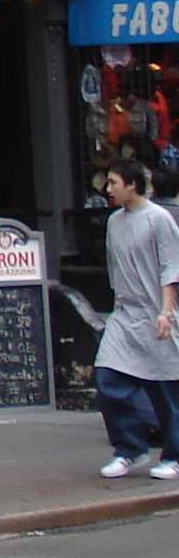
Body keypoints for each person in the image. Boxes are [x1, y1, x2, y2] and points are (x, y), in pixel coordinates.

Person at [97, 159, 179, 480]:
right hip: (125, 313)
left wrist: (165, 312)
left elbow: (172, 267)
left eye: (114, 183)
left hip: (157, 313)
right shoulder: (114, 221)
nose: (108, 189)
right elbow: (114, 266)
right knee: (108, 379)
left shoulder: (159, 220)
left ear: (132, 185)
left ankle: (174, 455)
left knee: (165, 388)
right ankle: (131, 448)